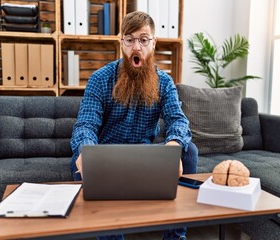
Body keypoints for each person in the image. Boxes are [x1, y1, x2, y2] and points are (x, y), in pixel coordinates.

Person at [70, 11, 198, 240]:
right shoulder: (100, 79)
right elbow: (86, 124)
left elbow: (178, 120)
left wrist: (174, 144)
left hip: (144, 153)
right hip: (106, 153)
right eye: (129, 40)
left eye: (143, 39)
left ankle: (175, 236)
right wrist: (86, 152)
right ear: (122, 43)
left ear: (153, 43)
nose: (136, 47)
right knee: (79, 156)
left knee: (190, 151)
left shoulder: (164, 82)